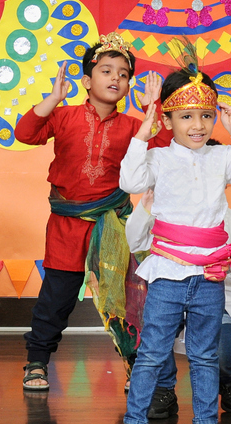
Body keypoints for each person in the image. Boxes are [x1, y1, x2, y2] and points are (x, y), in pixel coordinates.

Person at [107, 44, 231, 424]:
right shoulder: (158, 158)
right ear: (169, 119)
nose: (197, 125)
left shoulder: (223, 156)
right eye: (186, 116)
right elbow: (128, 181)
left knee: (204, 354)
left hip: (209, 276)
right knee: (152, 354)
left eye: (206, 116)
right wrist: (143, 133)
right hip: (167, 271)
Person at [14, 33, 168, 391]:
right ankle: (37, 361)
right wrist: (52, 99)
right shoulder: (63, 116)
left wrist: (153, 111)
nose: (116, 78)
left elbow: (164, 151)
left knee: (128, 298)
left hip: (113, 224)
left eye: (123, 74)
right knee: (56, 298)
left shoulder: (133, 126)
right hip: (67, 225)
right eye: (106, 70)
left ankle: (137, 367)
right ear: (86, 81)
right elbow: (25, 134)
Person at [126, 188, 231, 418]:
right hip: (170, 287)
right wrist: (145, 208)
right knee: (156, 340)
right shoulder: (165, 210)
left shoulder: (228, 217)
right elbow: (135, 241)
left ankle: (228, 380)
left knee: (219, 353)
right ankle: (164, 387)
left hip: (215, 292)